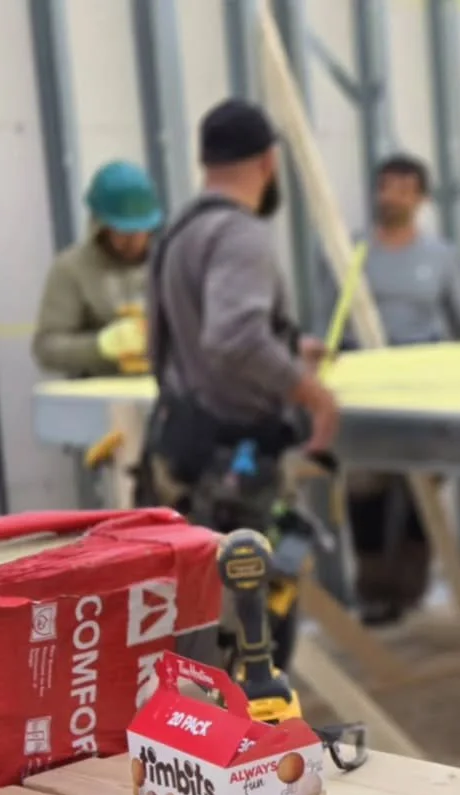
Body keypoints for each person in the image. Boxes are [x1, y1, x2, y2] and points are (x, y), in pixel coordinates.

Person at [140, 97, 340, 669]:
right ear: (269, 161)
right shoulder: (239, 234)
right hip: (236, 478)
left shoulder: (179, 233)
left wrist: (286, 347)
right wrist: (312, 393)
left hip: (186, 458)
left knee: (200, 638)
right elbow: (233, 339)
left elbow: (183, 342)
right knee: (254, 649)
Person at [315, 151, 460, 625]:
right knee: (366, 487)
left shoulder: (441, 257)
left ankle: (410, 587)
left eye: (404, 190)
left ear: (421, 199)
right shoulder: (351, 252)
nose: (392, 197)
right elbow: (327, 320)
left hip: (424, 385)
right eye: (386, 187)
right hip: (366, 385)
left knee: (421, 489)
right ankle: (373, 590)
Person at [32, 160, 163, 379]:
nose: (133, 239)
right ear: (101, 224)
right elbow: (46, 348)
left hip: (163, 388)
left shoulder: (168, 263)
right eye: (123, 230)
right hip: (99, 390)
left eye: (141, 229)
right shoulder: (71, 269)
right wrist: (101, 345)